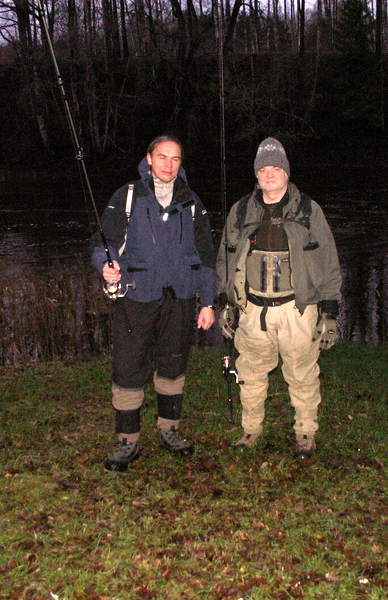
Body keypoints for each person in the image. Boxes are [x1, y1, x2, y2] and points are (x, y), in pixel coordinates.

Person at [91, 135, 217, 472]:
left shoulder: (191, 202)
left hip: (180, 299)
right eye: (162, 156)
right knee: (129, 368)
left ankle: (169, 430)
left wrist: (208, 302)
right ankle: (127, 441)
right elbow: (103, 243)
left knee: (173, 366)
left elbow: (206, 256)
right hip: (136, 297)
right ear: (149, 158)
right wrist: (105, 264)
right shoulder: (128, 196)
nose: (168, 164)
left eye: (175, 158)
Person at [216, 137, 342, 459]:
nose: (269, 174)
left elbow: (329, 261)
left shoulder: (308, 210)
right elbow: (225, 260)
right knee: (251, 373)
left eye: (275, 168)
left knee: (302, 374)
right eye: (263, 169)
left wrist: (329, 313)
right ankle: (251, 430)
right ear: (256, 175)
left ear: (286, 173)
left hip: (297, 310)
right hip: (252, 310)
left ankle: (305, 434)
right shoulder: (240, 210)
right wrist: (226, 303)